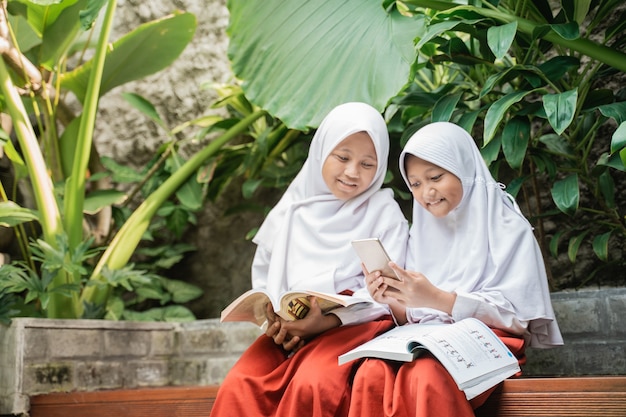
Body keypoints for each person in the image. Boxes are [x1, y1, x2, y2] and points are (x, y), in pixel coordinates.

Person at [348, 121, 563, 417]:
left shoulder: (508, 229)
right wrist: (393, 298)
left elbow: (516, 319)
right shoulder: (422, 232)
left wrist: (437, 299)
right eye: (416, 184)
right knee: (372, 372)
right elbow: (417, 310)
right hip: (426, 338)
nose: (427, 192)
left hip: (490, 339)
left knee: (426, 375)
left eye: (435, 177)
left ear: (464, 169)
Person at [210, 102, 409, 417]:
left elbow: (392, 292)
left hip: (353, 325)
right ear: (321, 151)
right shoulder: (293, 209)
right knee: (241, 384)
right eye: (342, 157)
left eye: (367, 164)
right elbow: (266, 278)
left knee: (313, 385)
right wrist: (275, 322)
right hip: (291, 333)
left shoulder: (382, 212)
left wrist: (328, 322)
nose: (352, 172)